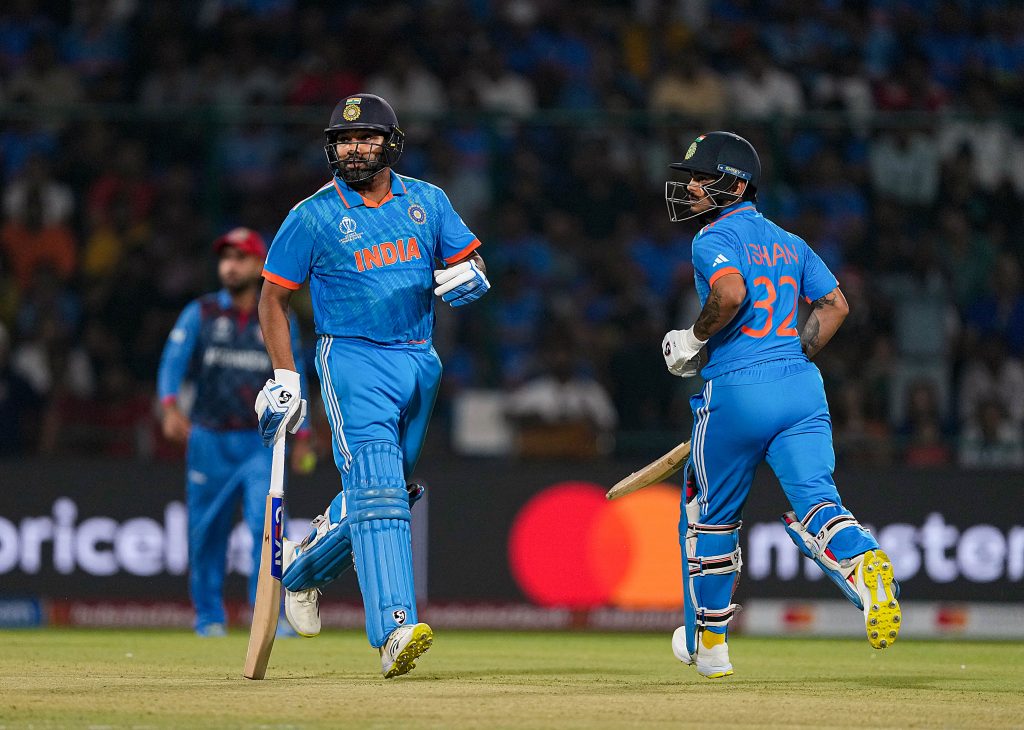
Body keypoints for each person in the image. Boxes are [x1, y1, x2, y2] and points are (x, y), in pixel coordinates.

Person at [255, 93, 489, 678]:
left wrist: (471, 278)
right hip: (352, 358)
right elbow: (272, 299)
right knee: (381, 486)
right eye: (343, 141)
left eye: (366, 138)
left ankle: (303, 569)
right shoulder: (311, 215)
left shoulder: (428, 201)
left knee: (388, 491)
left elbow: (471, 262)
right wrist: (286, 374)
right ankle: (394, 630)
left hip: (419, 360)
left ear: (392, 143)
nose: (354, 149)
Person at [659, 131, 901, 678]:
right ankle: (864, 562)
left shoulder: (712, 237)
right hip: (801, 389)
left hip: (737, 393)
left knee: (709, 518)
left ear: (735, 186)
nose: (690, 187)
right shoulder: (790, 241)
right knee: (819, 503)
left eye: (702, 178)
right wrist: (787, 356)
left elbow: (729, 294)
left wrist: (692, 341)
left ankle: (710, 645)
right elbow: (835, 304)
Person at [157, 227, 313, 637]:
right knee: (206, 531)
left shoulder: (277, 315)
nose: (230, 266)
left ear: (260, 264)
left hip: (261, 441)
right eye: (225, 258)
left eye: (240, 258)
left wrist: (304, 434)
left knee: (268, 527)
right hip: (208, 438)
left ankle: (268, 616)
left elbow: (295, 372)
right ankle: (209, 617)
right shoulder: (203, 312)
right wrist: (169, 406)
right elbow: (172, 362)